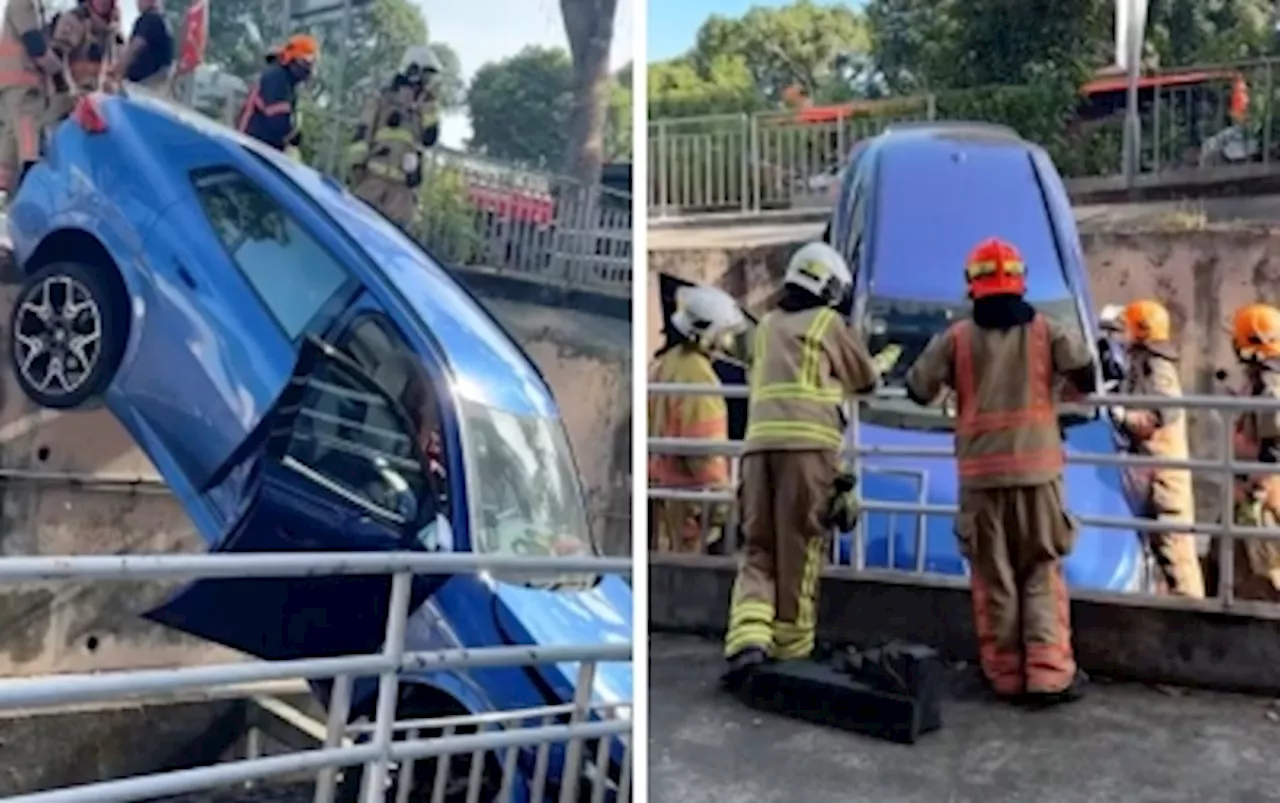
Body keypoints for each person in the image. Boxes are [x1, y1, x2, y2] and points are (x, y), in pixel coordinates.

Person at [904, 237, 1096, 707]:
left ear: (973, 284)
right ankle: (1049, 676)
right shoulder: (1048, 332)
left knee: (994, 579)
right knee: (1040, 571)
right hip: (1039, 476)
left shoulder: (956, 339)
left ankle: (1006, 676)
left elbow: (917, 388)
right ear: (1020, 280)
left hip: (982, 479)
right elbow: (1088, 374)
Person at [722, 241, 880, 685]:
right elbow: (864, 378)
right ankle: (790, 652)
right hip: (807, 453)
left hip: (757, 452)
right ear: (831, 287)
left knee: (757, 548)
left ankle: (747, 639)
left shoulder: (768, 324)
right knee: (800, 548)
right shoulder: (829, 323)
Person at [1106, 300, 1204, 598]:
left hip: (1164, 472)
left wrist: (1125, 418)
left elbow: (1164, 412)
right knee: (1160, 549)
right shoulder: (1145, 361)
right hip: (1152, 468)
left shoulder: (1158, 367)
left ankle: (1193, 617)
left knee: (1176, 549)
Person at [648, 285, 745, 554]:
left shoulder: (664, 364)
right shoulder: (698, 377)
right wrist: (723, 508)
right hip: (690, 508)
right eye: (724, 334)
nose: (727, 342)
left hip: (662, 498)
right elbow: (705, 453)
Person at [345, 45, 443, 229]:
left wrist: (429, 109)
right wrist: (356, 171)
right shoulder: (382, 99)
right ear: (413, 70)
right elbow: (362, 135)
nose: (427, 81)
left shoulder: (426, 107)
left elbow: (430, 138)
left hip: (401, 194)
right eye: (425, 75)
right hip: (371, 185)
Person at [1227, 303, 1280, 602]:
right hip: (1248, 486)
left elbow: (1275, 444)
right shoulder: (1261, 378)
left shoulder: (1271, 384)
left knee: (1267, 569)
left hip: (1261, 491)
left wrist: (1257, 488)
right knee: (1237, 562)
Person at [0, 0, 68, 195]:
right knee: (30, 145)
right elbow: (36, 47)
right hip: (24, 86)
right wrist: (59, 74)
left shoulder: (30, 6)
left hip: (11, 87)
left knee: (10, 144)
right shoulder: (24, 4)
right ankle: (32, 192)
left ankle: (6, 195)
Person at [237, 33, 317, 153]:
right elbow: (277, 120)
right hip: (251, 147)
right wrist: (292, 134)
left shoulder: (286, 82)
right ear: (293, 59)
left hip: (259, 147)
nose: (308, 70)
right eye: (306, 63)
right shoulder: (277, 78)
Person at [49, 0, 119, 97]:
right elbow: (56, 57)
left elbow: (112, 70)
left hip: (97, 99)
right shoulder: (74, 20)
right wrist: (66, 91)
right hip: (72, 97)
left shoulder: (112, 28)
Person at [112, 0, 172, 94]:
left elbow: (135, 47)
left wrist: (118, 71)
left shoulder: (149, 19)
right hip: (157, 84)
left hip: (141, 85)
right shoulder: (163, 22)